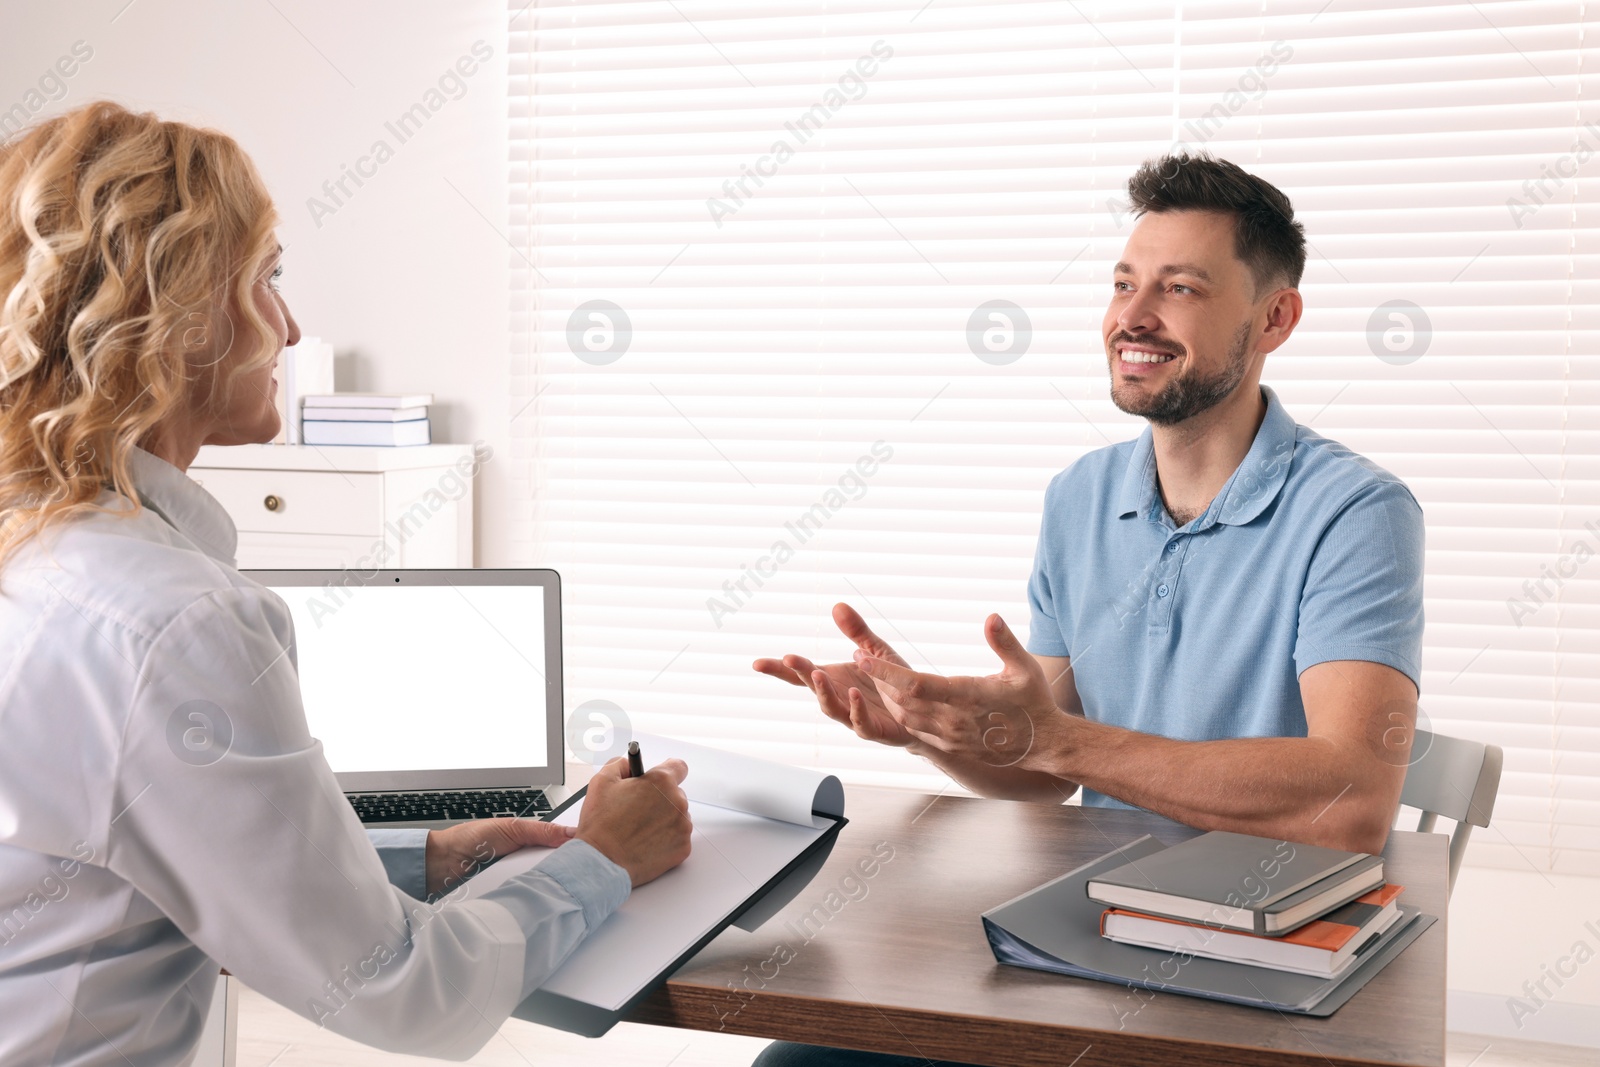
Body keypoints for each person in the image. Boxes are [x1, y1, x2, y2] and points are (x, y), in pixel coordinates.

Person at [0, 101, 693, 1065]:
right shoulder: (175, 621)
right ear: (179, 313)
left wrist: (424, 856)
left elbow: (97, 864)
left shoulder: (37, 556)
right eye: (268, 278)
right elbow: (403, 993)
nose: (289, 326)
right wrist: (600, 860)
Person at [751, 153, 1424, 1066]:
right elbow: (1042, 765)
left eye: (1180, 287)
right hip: (1088, 921)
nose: (1132, 318)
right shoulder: (1080, 495)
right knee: (804, 1058)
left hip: (1248, 959)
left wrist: (1055, 741)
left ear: (1276, 318)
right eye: (1123, 284)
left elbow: (1350, 800)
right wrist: (931, 726)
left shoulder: (1354, 512)